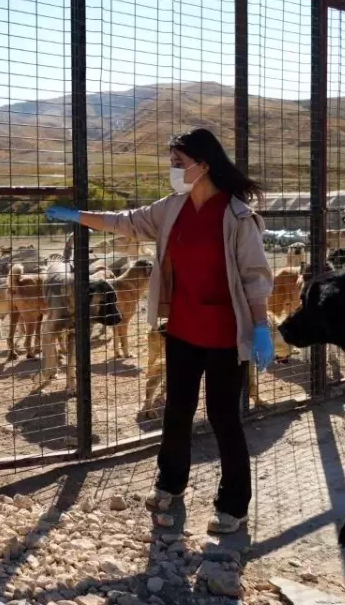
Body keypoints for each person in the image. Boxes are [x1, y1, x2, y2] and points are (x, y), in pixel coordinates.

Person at [45, 127, 275, 534]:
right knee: (177, 412)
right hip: (184, 330)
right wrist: (79, 216)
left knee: (224, 418)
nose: (172, 170)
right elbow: (127, 223)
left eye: (178, 163)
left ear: (203, 166)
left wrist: (260, 327)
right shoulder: (172, 208)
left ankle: (233, 506)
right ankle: (170, 484)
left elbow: (255, 276)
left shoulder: (238, 216)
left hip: (225, 335)